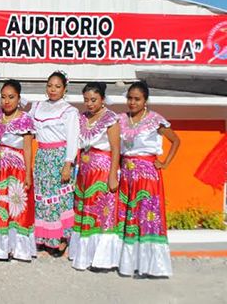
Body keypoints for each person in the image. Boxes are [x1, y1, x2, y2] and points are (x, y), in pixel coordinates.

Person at [117, 81, 180, 278]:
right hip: (127, 174)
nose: (132, 102)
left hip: (147, 177)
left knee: (147, 217)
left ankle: (150, 266)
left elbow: (176, 140)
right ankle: (128, 264)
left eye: (137, 99)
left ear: (145, 101)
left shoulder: (155, 120)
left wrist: (165, 163)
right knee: (129, 217)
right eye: (130, 98)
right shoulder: (121, 119)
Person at [69, 82, 121, 271]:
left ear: (102, 99)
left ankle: (101, 257)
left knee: (100, 212)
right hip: (84, 170)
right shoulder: (82, 117)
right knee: (84, 210)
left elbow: (116, 149)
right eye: (86, 100)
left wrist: (113, 175)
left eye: (93, 100)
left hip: (103, 170)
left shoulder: (110, 119)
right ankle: (82, 254)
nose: (89, 104)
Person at [28, 71, 79, 257]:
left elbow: (73, 138)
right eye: (50, 86)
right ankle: (44, 237)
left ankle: (62, 239)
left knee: (60, 199)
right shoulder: (37, 107)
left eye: (57, 86)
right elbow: (29, 128)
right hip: (42, 156)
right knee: (43, 197)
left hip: (59, 157)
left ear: (64, 89)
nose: (53, 90)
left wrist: (68, 163)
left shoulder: (69, 111)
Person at [0, 79, 37, 261]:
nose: (7, 101)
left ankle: (18, 249)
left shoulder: (25, 119)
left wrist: (29, 175)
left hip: (16, 172)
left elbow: (28, 149)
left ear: (19, 98)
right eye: (4, 97)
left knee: (15, 207)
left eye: (11, 97)